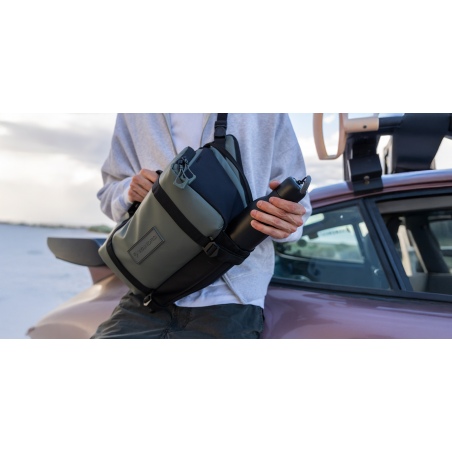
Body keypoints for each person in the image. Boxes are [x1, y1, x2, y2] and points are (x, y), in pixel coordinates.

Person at [92, 113, 311, 339]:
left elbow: (300, 209)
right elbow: (108, 194)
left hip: (232, 298)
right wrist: (128, 191)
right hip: (149, 292)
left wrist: (285, 221)